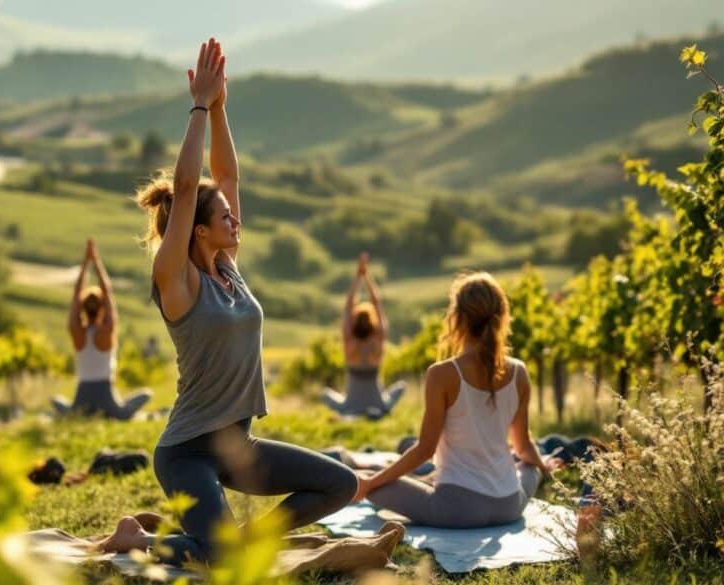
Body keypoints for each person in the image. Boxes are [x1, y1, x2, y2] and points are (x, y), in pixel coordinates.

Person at [98, 38, 358, 565]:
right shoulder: (177, 282)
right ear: (196, 231)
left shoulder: (228, 269)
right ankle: (141, 539)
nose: (235, 221)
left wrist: (220, 110)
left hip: (239, 447)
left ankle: (241, 541)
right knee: (218, 563)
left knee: (340, 484)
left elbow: (228, 177)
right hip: (187, 452)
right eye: (224, 218)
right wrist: (197, 108)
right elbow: (190, 184)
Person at [352, 272, 554, 528]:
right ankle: (541, 468)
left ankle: (374, 482)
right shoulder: (519, 372)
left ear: (456, 318)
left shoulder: (442, 374)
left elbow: (425, 450)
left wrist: (372, 482)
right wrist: (542, 467)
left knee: (370, 482)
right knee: (530, 467)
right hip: (509, 505)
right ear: (503, 316)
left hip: (458, 510)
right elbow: (524, 446)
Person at [52, 238, 152, 420]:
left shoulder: (77, 331)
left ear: (83, 308)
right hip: (107, 398)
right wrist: (96, 261)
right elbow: (108, 293)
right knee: (144, 395)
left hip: (81, 398)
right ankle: (114, 407)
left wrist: (85, 262)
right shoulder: (107, 331)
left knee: (57, 402)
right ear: (102, 309)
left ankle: (72, 410)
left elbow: (76, 294)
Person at [322, 252, 405, 419]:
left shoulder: (349, 342)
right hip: (378, 403)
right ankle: (378, 411)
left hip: (349, 405)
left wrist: (358, 275)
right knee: (401, 386)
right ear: (372, 321)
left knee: (325, 393)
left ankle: (353, 413)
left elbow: (348, 305)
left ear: (353, 322)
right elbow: (377, 303)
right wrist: (366, 277)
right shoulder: (378, 341)